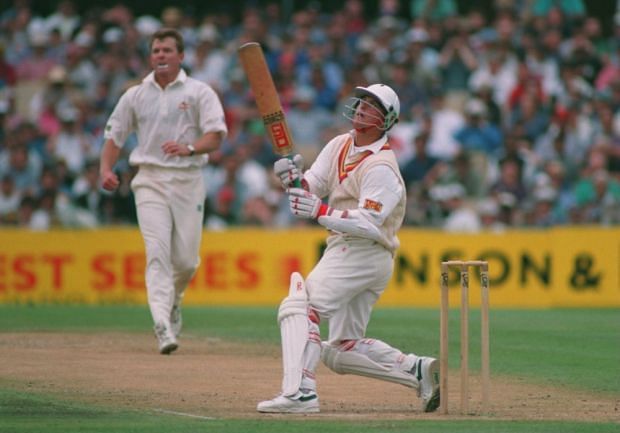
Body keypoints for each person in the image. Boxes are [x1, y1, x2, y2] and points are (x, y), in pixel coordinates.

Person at [259, 84, 440, 413]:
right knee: (341, 349)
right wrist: (292, 180)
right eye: (362, 102)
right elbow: (313, 185)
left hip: (364, 250)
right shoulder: (340, 144)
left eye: (372, 106)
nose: (361, 109)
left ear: (386, 121)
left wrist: (319, 211)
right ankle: (415, 369)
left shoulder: (382, 167)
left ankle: (301, 393)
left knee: (300, 308)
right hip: (349, 250)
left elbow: (369, 223)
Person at [99, 28, 227, 354]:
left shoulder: (199, 91)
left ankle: (174, 301)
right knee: (157, 254)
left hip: (188, 180)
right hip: (149, 180)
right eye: (156, 50)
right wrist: (105, 169)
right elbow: (114, 136)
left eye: (167, 50)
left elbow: (216, 135)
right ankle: (162, 325)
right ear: (150, 56)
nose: (160, 55)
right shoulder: (135, 95)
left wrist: (189, 148)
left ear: (181, 56)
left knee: (185, 262)